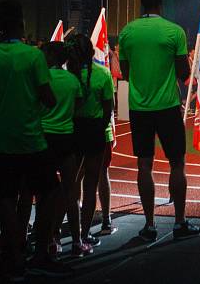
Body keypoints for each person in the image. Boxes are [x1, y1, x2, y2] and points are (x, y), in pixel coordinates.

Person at [0, 0, 69, 278]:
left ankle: (14, 253)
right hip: (31, 138)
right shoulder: (33, 56)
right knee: (51, 192)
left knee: (6, 198)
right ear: (20, 22)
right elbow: (47, 96)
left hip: (0, 140)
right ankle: (41, 252)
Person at [118, 0, 200, 243]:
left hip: (140, 108)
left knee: (144, 164)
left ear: (141, 3)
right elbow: (184, 73)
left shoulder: (127, 32)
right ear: (161, 2)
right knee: (177, 163)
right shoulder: (173, 31)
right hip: (166, 106)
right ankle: (179, 222)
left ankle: (150, 224)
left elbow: (126, 72)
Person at [38, 42, 88, 256]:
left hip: (44, 139)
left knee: (44, 193)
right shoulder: (72, 81)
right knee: (70, 191)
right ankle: (76, 242)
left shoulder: (42, 79)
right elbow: (77, 106)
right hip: (66, 138)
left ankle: (47, 241)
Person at [68, 33, 114, 248]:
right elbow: (108, 108)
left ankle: (62, 236)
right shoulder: (103, 74)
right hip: (95, 132)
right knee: (90, 185)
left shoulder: (68, 76)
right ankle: (84, 235)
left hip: (73, 132)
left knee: (70, 185)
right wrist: (99, 128)